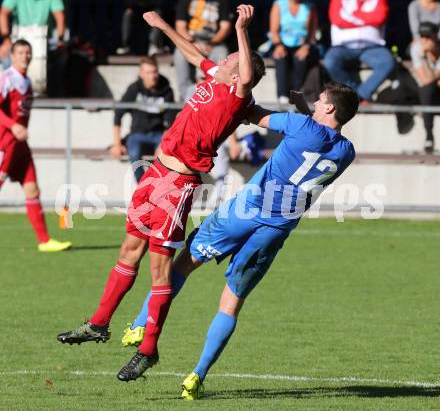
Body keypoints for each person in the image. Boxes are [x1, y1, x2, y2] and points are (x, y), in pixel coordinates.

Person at [56, 6, 266, 383]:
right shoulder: (216, 78)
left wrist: (240, 29)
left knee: (159, 271)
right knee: (128, 251)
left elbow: (248, 74)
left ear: (238, 70)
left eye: (231, 57)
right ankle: (99, 323)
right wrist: (163, 26)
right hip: (154, 175)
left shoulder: (237, 93)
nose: (220, 60)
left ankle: (148, 350)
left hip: (178, 186)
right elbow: (193, 54)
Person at [124, 82, 359, 399]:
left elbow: (254, 115)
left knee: (183, 263)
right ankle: (197, 376)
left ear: (330, 108)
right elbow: (319, 140)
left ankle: (140, 323)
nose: (315, 103)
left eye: (320, 101)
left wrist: (234, 93)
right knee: (232, 303)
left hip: (243, 212)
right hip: (275, 231)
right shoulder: (347, 152)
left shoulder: (301, 125)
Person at [0, 39, 71, 252]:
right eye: (20, 52)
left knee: (32, 190)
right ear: (12, 55)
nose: (25, 56)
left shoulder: (27, 81)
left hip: (20, 145)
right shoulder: (6, 79)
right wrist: (13, 126)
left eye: (28, 52)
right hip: (5, 143)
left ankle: (44, 240)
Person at [323, 0, 395, 102]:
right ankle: (353, 93)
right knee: (330, 62)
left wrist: (351, 16)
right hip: (343, 46)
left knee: (387, 62)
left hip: (372, 46)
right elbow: (337, 19)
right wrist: (367, 19)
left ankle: (360, 95)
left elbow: (380, 17)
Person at [111, 56, 175, 182]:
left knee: (165, 155)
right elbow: (118, 114)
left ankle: (156, 187)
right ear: (141, 74)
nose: (153, 76)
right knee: (134, 152)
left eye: (155, 71)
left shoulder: (166, 90)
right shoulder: (134, 89)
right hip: (137, 134)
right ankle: (143, 187)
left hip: (158, 134)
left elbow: (171, 122)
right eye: (149, 72)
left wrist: (164, 143)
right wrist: (117, 144)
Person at [0, 0, 66, 94]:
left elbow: (60, 17)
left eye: (27, 54)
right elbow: (3, 13)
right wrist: (6, 40)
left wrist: (60, 40)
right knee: (5, 60)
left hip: (43, 42)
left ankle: (52, 97)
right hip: (19, 38)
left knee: (58, 63)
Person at [174, 0, 233, 100]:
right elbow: (180, 26)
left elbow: (225, 27)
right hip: (191, 41)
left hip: (215, 43)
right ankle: (185, 96)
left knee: (223, 54)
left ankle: (219, 95)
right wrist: (193, 44)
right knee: (179, 54)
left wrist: (211, 43)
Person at [269, 0, 319, 103]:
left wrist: (306, 46)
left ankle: (296, 95)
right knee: (280, 57)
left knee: (300, 59)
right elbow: (274, 29)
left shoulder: (309, 7)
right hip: (282, 42)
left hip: (303, 43)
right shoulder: (278, 4)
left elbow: (312, 31)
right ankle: (282, 96)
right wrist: (278, 45)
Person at [410, 22, 440, 153]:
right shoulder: (417, 48)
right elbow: (426, 80)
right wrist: (424, 55)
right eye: (422, 36)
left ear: (435, 37)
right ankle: (429, 136)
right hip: (427, 92)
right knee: (426, 90)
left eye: (428, 36)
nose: (425, 40)